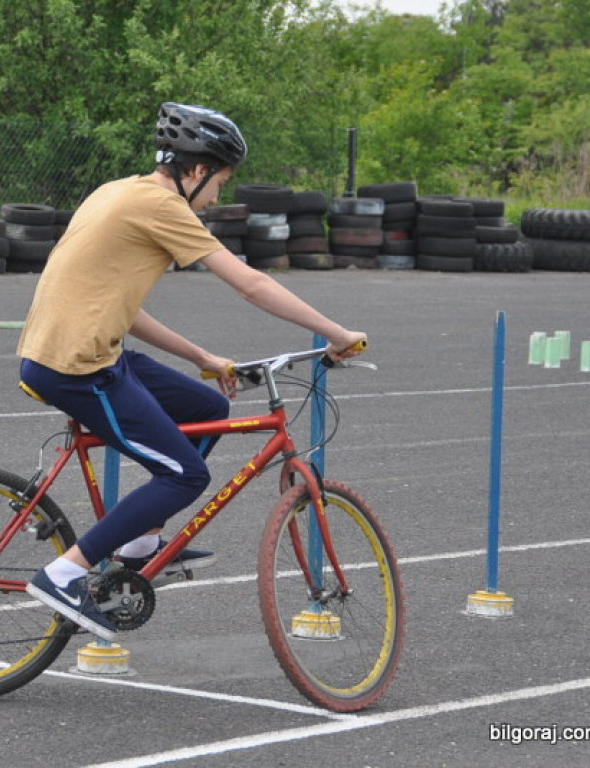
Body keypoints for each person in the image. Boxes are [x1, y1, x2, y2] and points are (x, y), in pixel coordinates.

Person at [20, 102, 367, 640]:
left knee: (207, 406)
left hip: (90, 349)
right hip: (75, 366)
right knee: (185, 475)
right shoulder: (163, 208)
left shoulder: (120, 190)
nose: (217, 197)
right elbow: (251, 282)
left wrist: (200, 357)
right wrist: (335, 333)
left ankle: (139, 543)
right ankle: (64, 573)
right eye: (220, 182)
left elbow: (120, 305)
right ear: (196, 169)